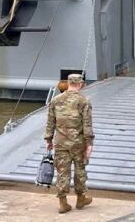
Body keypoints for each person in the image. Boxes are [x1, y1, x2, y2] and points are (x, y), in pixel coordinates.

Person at [44, 73, 95, 214]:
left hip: (60, 142)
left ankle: (63, 203)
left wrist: (48, 140)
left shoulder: (55, 100)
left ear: (68, 83)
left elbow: (50, 122)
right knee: (80, 170)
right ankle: (80, 199)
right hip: (78, 143)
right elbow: (87, 124)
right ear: (80, 84)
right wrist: (89, 143)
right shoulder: (84, 101)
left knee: (62, 172)